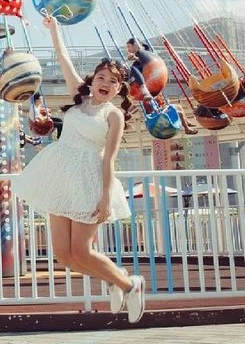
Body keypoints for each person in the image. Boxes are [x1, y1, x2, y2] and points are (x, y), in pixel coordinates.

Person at [14, 16, 146, 323]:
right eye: (102, 77)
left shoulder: (114, 116)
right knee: (64, 255)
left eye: (113, 81)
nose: (106, 84)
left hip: (88, 180)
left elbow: (108, 159)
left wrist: (104, 198)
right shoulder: (79, 97)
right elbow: (63, 58)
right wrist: (55, 31)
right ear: (94, 79)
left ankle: (129, 284)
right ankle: (114, 280)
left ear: (119, 88)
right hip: (60, 176)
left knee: (82, 251)